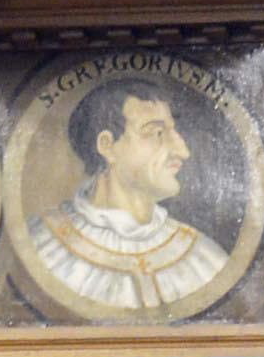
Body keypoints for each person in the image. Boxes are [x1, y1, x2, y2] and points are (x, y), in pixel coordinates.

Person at [25, 77, 240, 321]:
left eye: (173, 132)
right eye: (157, 133)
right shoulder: (40, 246)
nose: (182, 151)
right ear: (107, 146)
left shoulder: (205, 258)